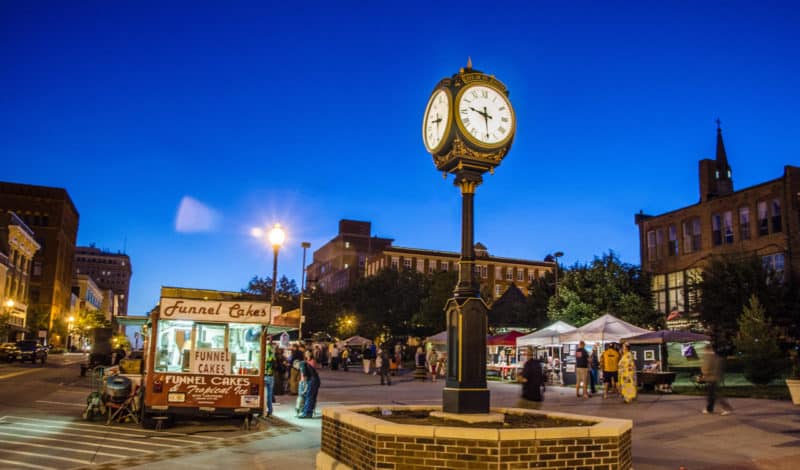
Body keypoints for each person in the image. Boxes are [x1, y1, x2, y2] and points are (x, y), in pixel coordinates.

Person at [701, 344, 733, 415]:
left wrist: (703, 374)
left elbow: (706, 367)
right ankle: (709, 409)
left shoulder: (708, 357)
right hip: (715, 377)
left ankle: (727, 408)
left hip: (711, 378)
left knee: (714, 394)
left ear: (707, 349)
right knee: (711, 395)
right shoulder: (715, 356)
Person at [299, 350, 320, 418]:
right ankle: (308, 412)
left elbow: (305, 375)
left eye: (308, 353)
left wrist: (305, 384)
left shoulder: (304, 364)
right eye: (306, 353)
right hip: (313, 380)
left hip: (312, 380)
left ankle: (307, 413)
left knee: (309, 396)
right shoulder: (304, 363)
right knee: (310, 396)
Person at [263, 344, 278, 417]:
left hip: (265, 376)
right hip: (271, 377)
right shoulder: (273, 357)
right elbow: (275, 366)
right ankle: (270, 411)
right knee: (269, 395)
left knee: (263, 395)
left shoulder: (265, 358)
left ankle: (263, 411)